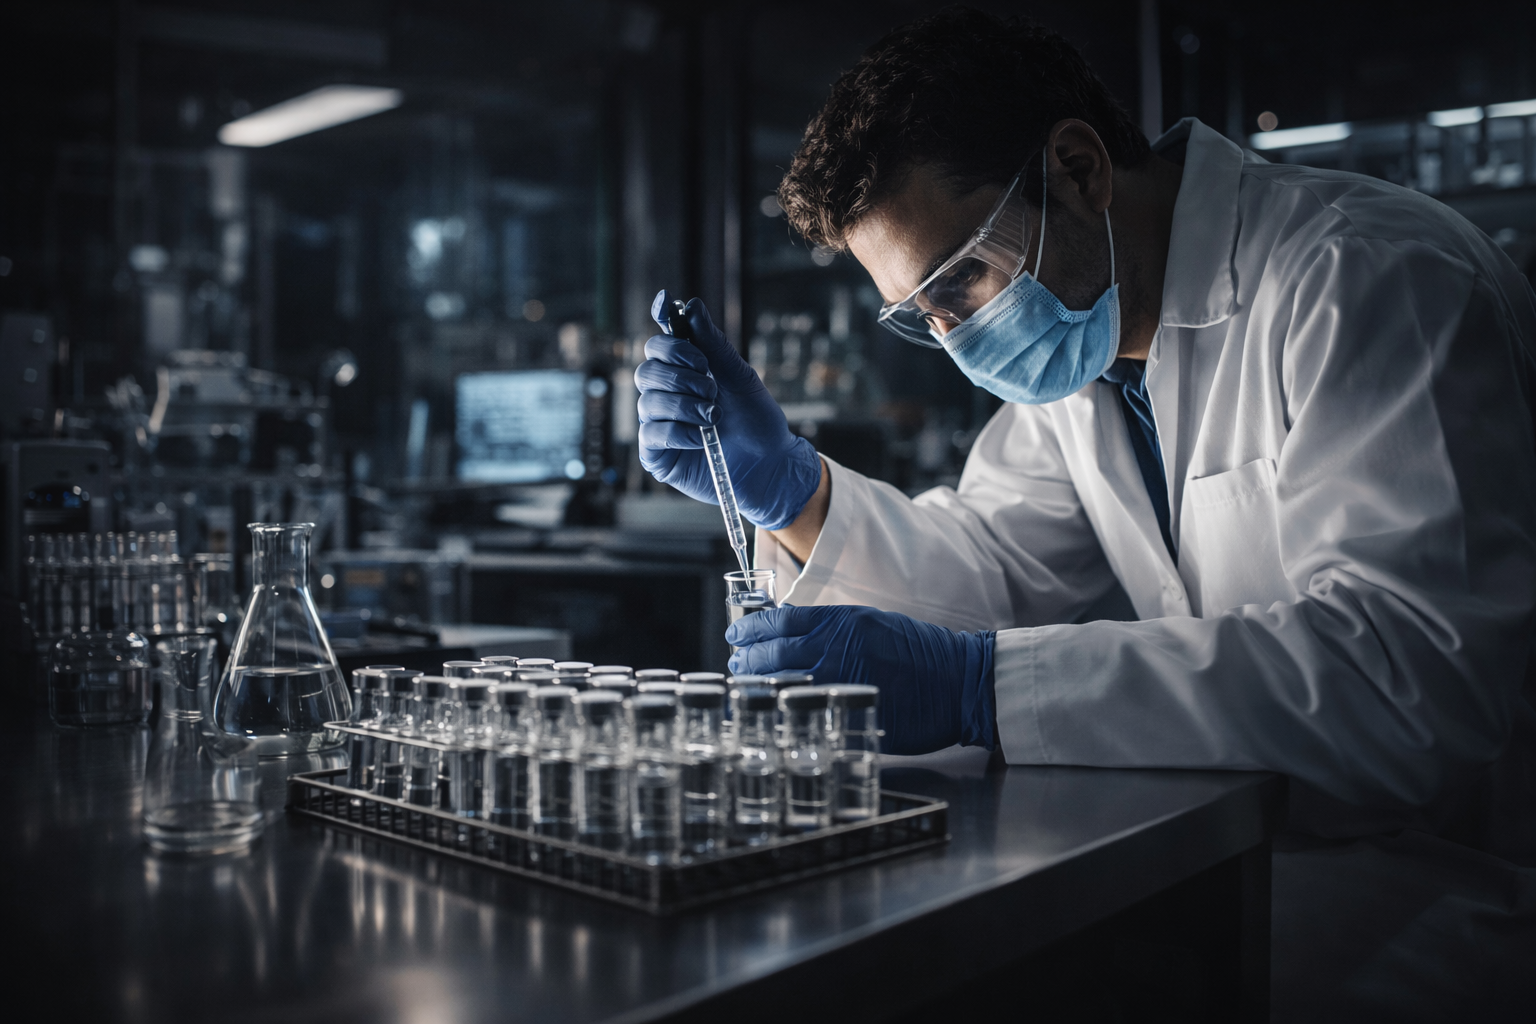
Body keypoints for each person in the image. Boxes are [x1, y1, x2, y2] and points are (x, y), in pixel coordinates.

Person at [634, 8, 1536, 1019]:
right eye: (922, 316)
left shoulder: (1366, 276)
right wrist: (793, 493)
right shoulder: (1087, 358)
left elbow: (1405, 680)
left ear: (1077, 170)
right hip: (1255, 867)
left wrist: (978, 687)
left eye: (960, 281)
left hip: (1446, 899)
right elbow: (992, 566)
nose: (956, 336)